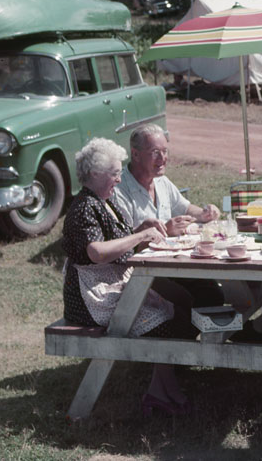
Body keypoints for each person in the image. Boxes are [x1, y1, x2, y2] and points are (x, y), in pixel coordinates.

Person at [61, 137, 195, 416]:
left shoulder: (102, 201)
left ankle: (162, 389)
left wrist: (139, 228)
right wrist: (140, 235)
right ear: (95, 174)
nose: (120, 180)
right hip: (90, 295)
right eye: (115, 173)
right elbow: (97, 251)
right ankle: (162, 392)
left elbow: (114, 240)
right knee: (167, 321)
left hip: (107, 283)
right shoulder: (85, 206)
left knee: (176, 309)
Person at [111, 124, 220, 235]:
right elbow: (123, 241)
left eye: (165, 151)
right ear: (136, 154)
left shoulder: (161, 181)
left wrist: (204, 214)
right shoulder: (119, 190)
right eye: (155, 152)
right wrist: (165, 231)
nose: (162, 158)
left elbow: (184, 208)